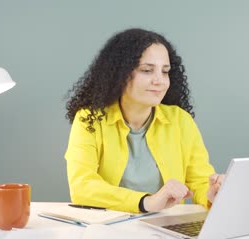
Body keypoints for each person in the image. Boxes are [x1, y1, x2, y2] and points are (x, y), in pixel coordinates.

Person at [65, 28, 224, 213]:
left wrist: (212, 195)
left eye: (165, 72)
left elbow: (200, 181)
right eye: (147, 70)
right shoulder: (89, 120)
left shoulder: (181, 121)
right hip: (108, 229)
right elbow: (82, 186)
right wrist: (146, 202)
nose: (160, 81)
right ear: (120, 74)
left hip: (166, 231)